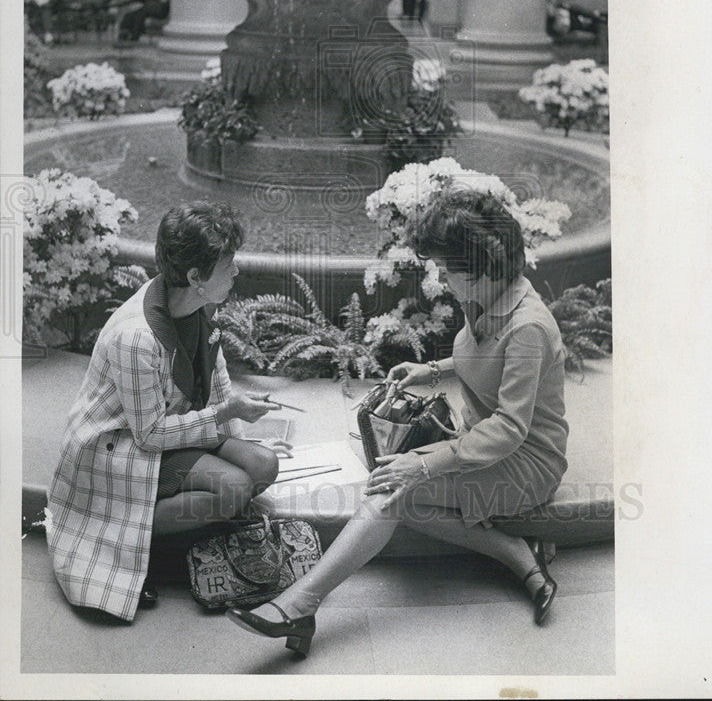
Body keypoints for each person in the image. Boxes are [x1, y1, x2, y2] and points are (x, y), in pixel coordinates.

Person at [227, 189, 569, 656]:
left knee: (395, 486)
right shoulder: (486, 298)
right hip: (481, 442)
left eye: (449, 269)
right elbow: (488, 357)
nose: (443, 278)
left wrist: (424, 465)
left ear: (484, 267)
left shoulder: (528, 325)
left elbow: (510, 428)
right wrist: (432, 370)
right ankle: (516, 552)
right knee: (396, 486)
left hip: (526, 460)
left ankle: (299, 606)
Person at [47, 201, 290, 622]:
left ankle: (186, 522)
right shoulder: (136, 336)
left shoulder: (197, 307)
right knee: (233, 489)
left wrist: (233, 421)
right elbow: (149, 436)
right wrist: (220, 419)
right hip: (117, 448)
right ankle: (135, 537)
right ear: (196, 277)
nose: (235, 271)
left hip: (169, 429)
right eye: (228, 263)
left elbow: (216, 382)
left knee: (265, 464)